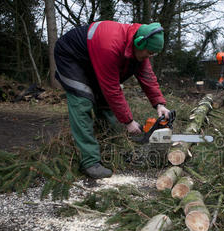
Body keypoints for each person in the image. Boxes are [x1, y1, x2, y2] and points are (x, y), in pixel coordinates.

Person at [54, 21, 170, 179]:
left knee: (107, 105)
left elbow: (147, 77)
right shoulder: (110, 46)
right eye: (149, 53)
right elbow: (111, 88)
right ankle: (89, 162)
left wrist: (159, 104)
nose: (149, 56)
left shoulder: (139, 46)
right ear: (138, 43)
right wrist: (129, 121)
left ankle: (110, 150)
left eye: (153, 54)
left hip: (94, 59)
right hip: (71, 57)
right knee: (82, 103)